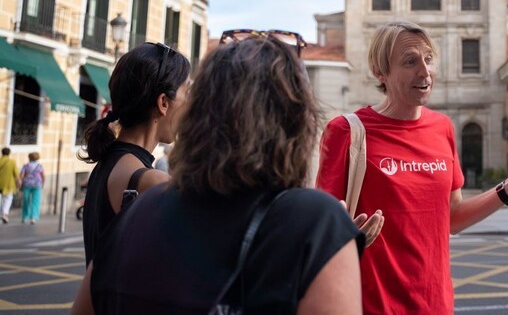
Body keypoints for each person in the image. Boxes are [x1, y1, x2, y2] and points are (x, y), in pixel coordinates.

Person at [71, 31, 363, 314]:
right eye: (186, 91)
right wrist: (336, 248)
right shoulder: (318, 224)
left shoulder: (138, 207)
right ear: (296, 120)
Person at [316, 21, 508, 314]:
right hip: (371, 305)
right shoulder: (347, 132)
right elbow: (319, 229)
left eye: (428, 59)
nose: (425, 72)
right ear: (380, 72)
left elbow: (453, 217)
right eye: (410, 61)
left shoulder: (442, 128)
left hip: (435, 303)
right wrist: (346, 236)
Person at [78, 42, 190, 265]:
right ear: (163, 103)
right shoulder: (152, 182)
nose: (191, 103)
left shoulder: (106, 164)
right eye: (187, 92)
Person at [19, 152, 44, 224]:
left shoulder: (26, 166)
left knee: (26, 201)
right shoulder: (40, 166)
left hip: (27, 184)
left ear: (29, 158)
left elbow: (21, 176)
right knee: (35, 202)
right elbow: (43, 176)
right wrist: (42, 183)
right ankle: (33, 218)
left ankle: (24, 217)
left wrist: (22, 181)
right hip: (37, 185)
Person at [0, 147, 19, 224]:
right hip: (9, 184)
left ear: (2, 153)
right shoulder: (12, 162)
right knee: (7, 200)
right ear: (9, 153)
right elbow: (16, 175)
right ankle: (4, 214)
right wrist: (18, 183)